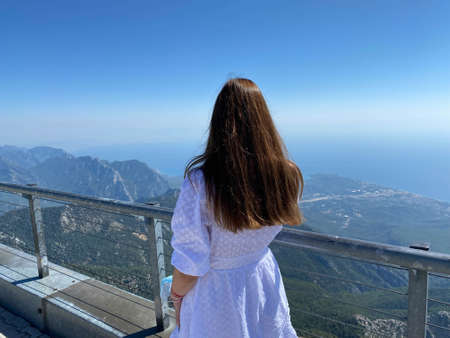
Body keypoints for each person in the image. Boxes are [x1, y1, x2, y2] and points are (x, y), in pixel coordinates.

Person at [169, 78, 304, 338]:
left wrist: (175, 297)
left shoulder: (201, 183)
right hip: (262, 278)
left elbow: (190, 261)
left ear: (218, 122)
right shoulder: (286, 174)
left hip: (216, 294)